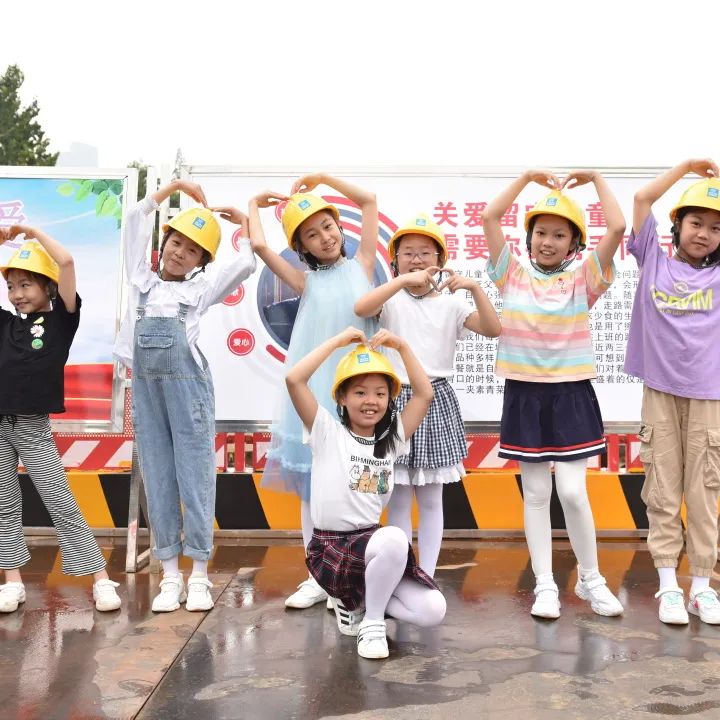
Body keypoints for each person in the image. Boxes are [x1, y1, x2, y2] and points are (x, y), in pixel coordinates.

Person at [482, 169, 626, 619]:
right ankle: (545, 584)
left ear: (573, 244)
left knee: (574, 493)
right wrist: (526, 178)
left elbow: (618, 227)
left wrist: (597, 179)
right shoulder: (511, 275)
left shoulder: (585, 280)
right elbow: (489, 217)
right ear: (529, 238)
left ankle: (591, 578)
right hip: (524, 394)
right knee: (537, 493)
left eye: (559, 235)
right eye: (541, 232)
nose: (548, 241)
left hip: (570, 394)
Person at [114, 179, 256, 612]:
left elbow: (246, 263)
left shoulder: (199, 291)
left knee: (195, 478)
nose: (179, 253)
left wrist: (245, 224)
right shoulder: (140, 280)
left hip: (188, 392)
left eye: (192, 250)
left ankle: (198, 576)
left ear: (201, 262)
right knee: (157, 477)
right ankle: (170, 575)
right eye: (176, 242)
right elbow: (134, 219)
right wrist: (171, 187)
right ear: (164, 243)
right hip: (147, 392)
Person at [250, 174, 378, 609]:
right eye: (312, 234)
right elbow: (260, 246)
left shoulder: (363, 264)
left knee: (362, 483)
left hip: (360, 394)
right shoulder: (304, 281)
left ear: (339, 227)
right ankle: (317, 574)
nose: (325, 237)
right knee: (312, 489)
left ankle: (354, 573)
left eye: (328, 226)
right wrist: (254, 205)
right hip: (315, 398)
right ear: (301, 247)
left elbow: (369, 200)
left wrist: (323, 178)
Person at [286, 326, 446, 659]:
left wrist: (402, 346)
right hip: (331, 548)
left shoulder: (391, 441)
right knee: (395, 538)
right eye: (360, 392)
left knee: (433, 609)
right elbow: (294, 380)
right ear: (342, 398)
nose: (371, 401)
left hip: (372, 550)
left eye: (380, 393)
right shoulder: (326, 432)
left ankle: (359, 602)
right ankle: (372, 624)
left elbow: (424, 395)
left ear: (389, 400)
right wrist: (336, 342)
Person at [354, 213, 500, 575]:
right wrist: (401, 280)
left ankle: (428, 574)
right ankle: (401, 572)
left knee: (432, 498)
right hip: (393, 402)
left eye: (424, 252)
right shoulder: (391, 300)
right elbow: (361, 308)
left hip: (434, 399)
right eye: (407, 253)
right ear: (395, 261)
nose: (416, 259)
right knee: (398, 497)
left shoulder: (451, 304)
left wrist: (475, 288)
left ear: (440, 260)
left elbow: (493, 328)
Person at [0, 226, 121, 613]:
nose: (17, 294)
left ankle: (100, 578)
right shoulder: (5, 323)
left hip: (32, 426)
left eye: (26, 284)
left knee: (60, 502)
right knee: (3, 504)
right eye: (11, 286)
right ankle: (12, 582)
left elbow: (66, 261)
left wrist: (30, 233)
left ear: (47, 286)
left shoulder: (62, 321)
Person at [625, 158, 720, 625]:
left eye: (716, 228)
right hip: (660, 392)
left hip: (709, 397)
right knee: (662, 491)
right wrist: (686, 168)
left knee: (703, 493)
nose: (704, 234)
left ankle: (701, 588)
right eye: (696, 222)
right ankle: (668, 587)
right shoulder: (653, 261)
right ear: (677, 225)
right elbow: (642, 199)